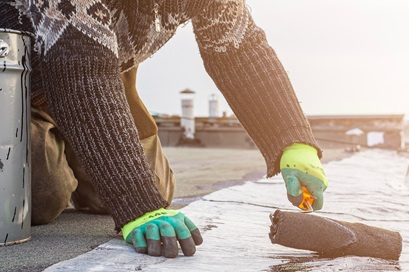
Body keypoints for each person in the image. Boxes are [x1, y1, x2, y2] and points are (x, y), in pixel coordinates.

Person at [0, 0, 328, 258]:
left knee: (155, 186)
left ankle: (81, 149)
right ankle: (57, 148)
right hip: (19, 86)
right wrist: (136, 204)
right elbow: (78, 65)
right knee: (42, 196)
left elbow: (240, 48)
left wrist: (293, 143)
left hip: (106, 73)